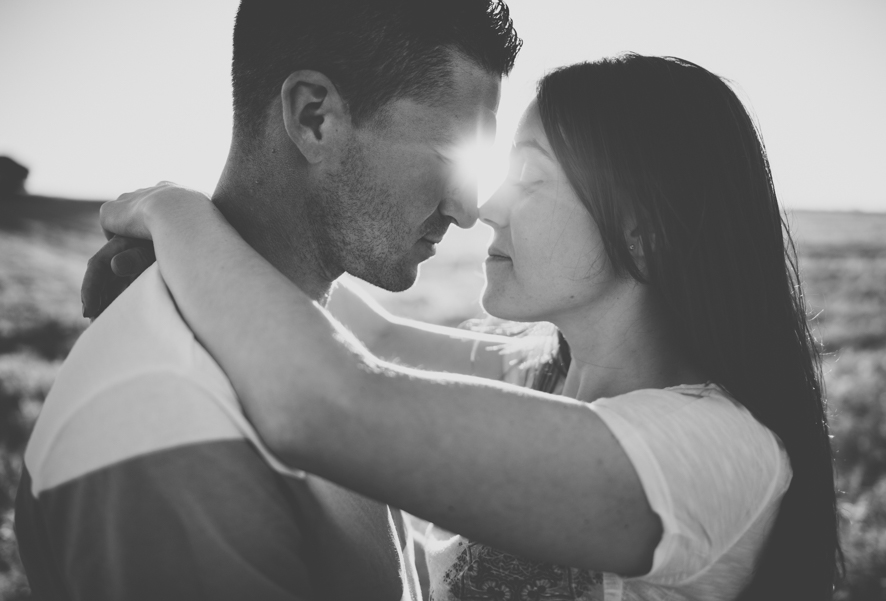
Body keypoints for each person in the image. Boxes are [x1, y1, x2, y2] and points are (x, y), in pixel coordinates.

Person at [83, 55, 843, 600]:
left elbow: (328, 404)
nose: (487, 205)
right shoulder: (540, 373)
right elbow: (365, 332)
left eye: (532, 178)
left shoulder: (718, 455)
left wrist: (172, 213)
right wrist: (204, 238)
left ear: (645, 235)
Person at [15, 1, 521, 599]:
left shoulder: (311, 338)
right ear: (314, 118)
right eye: (452, 157)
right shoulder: (171, 423)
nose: (466, 210)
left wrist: (179, 217)